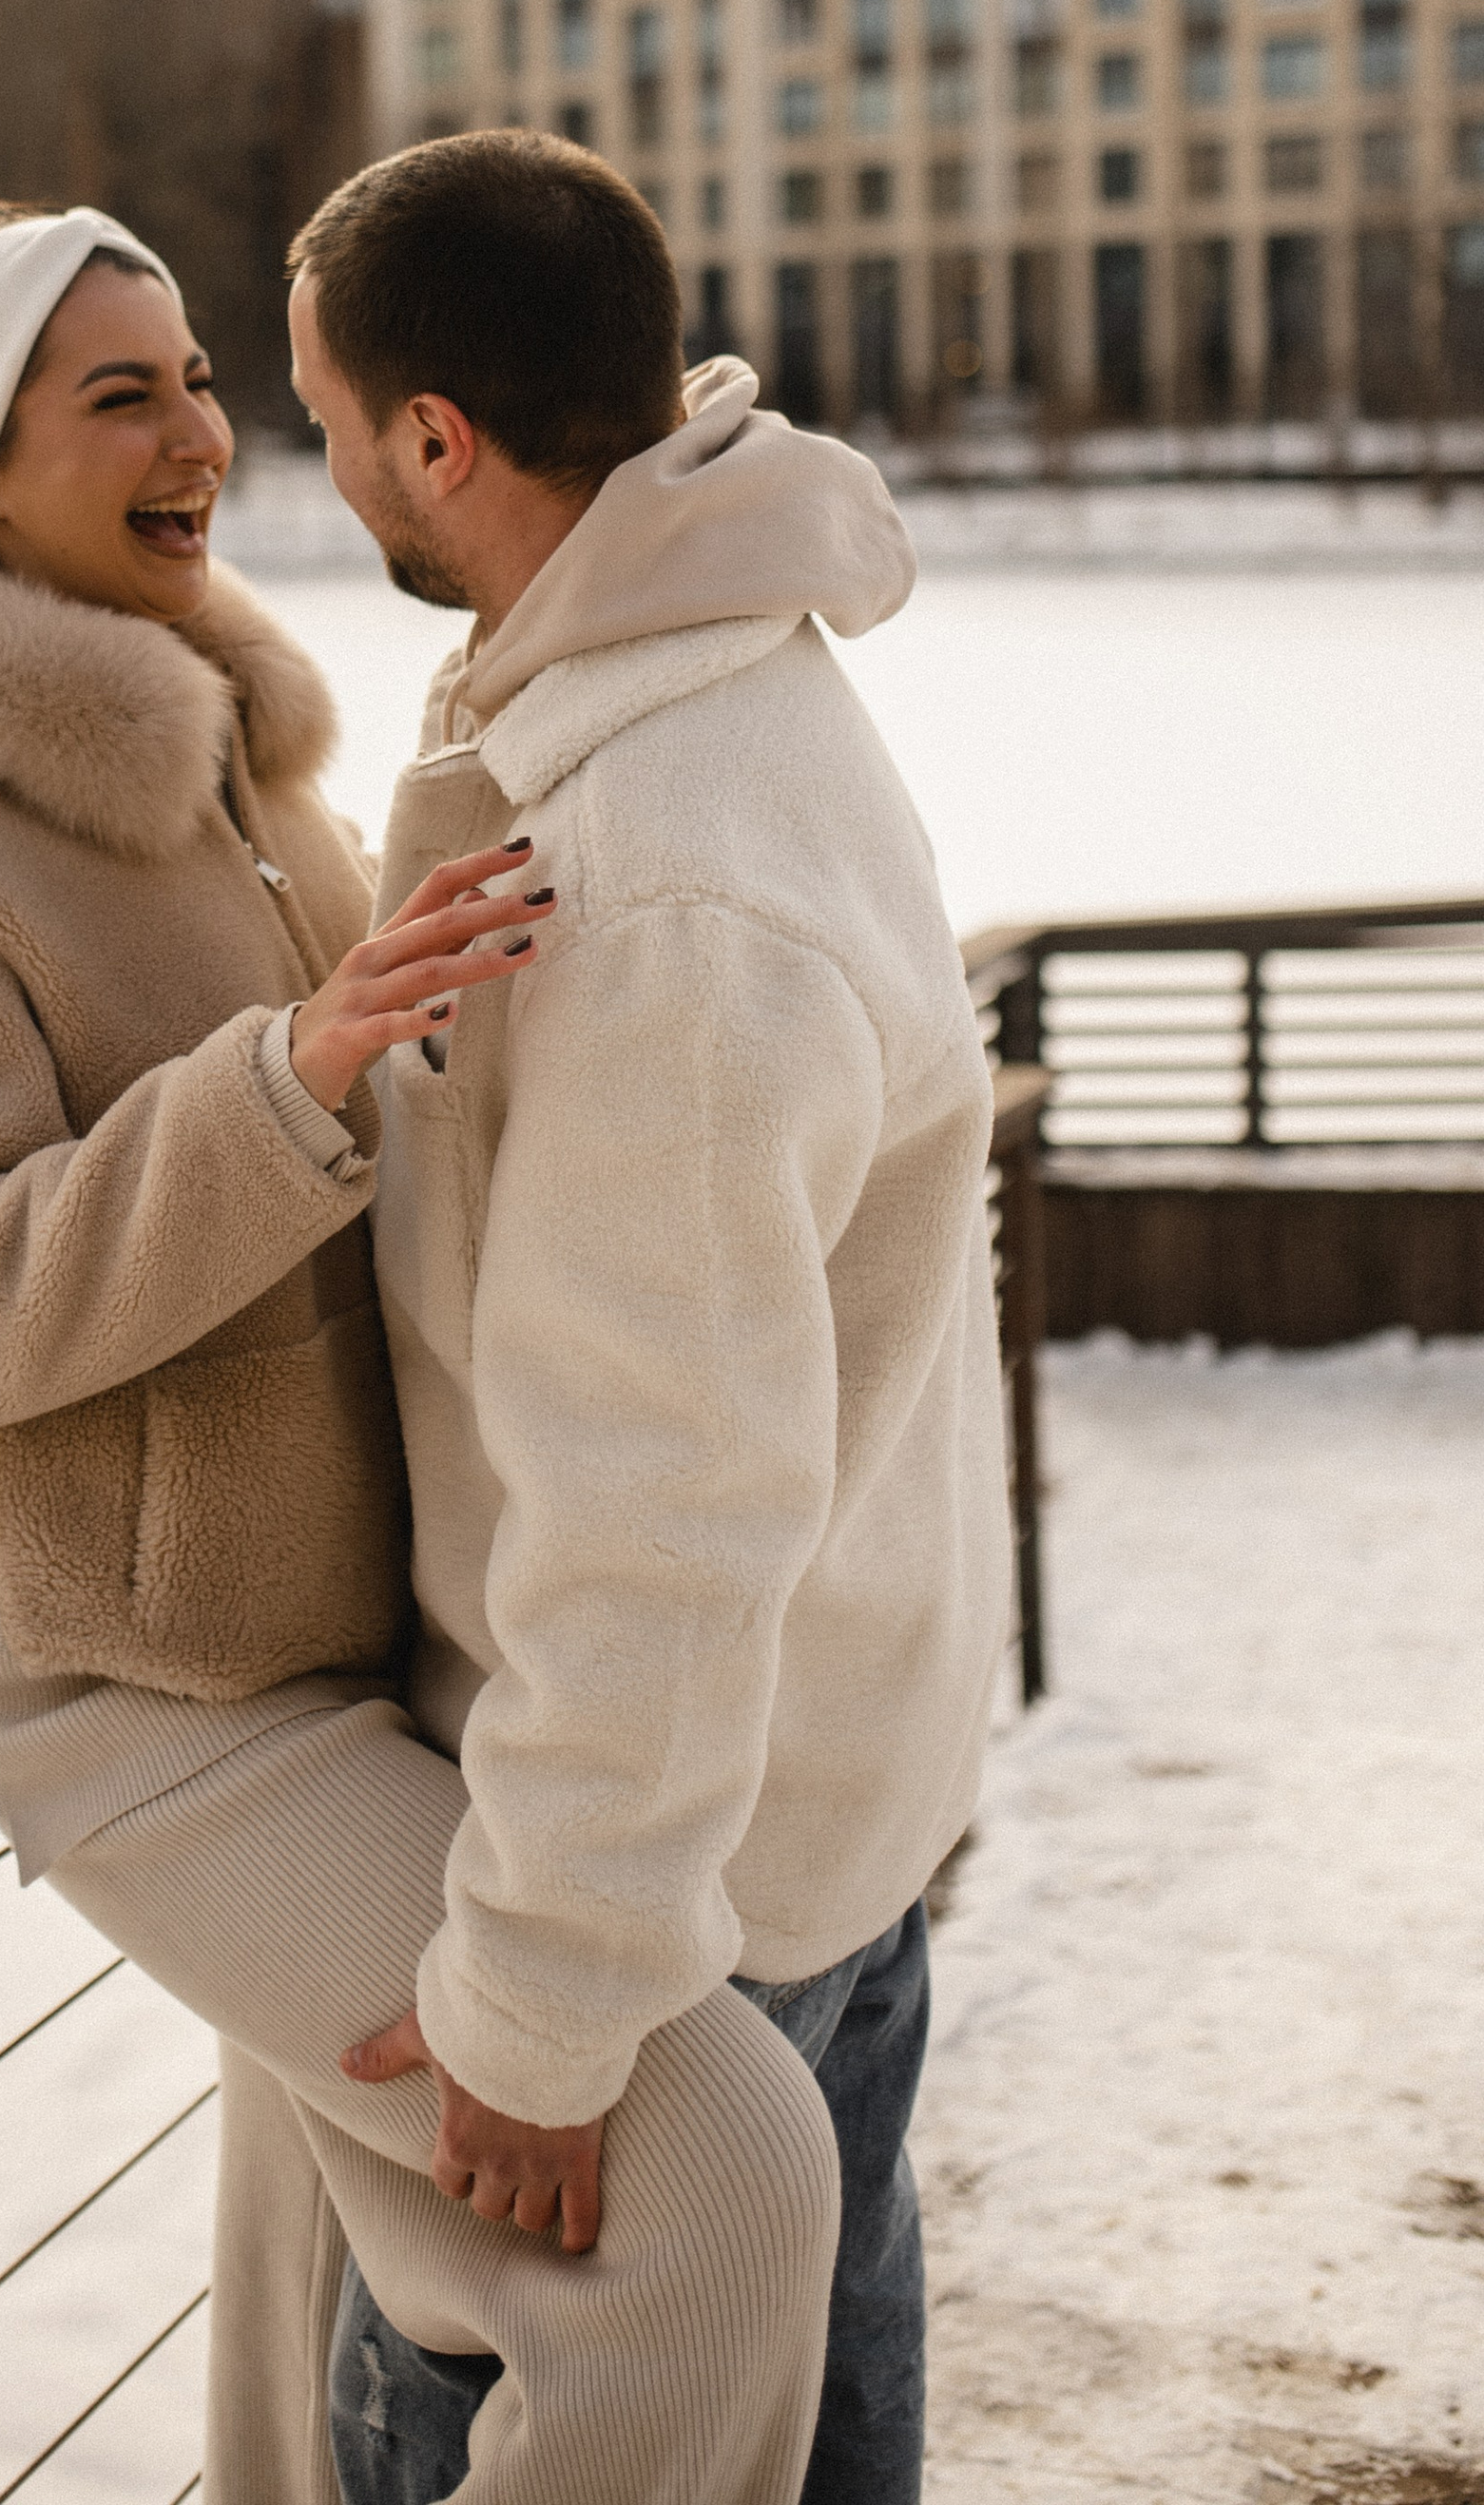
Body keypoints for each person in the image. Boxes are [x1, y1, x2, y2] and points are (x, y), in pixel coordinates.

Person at [0, 195, 840, 2505]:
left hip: (334, 1620)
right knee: (723, 2170)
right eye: (116, 392)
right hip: (107, 1655)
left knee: (346, 2258)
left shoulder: (243, 763)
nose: (198, 435)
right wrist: (297, 1073)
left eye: (205, 381)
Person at [281, 131, 1011, 2505]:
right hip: (819, 1829)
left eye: (323, 415)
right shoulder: (711, 702)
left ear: (433, 441)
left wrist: (546, 2000)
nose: (312, 465)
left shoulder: (664, 875)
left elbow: (660, 1497)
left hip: (687, 1925)